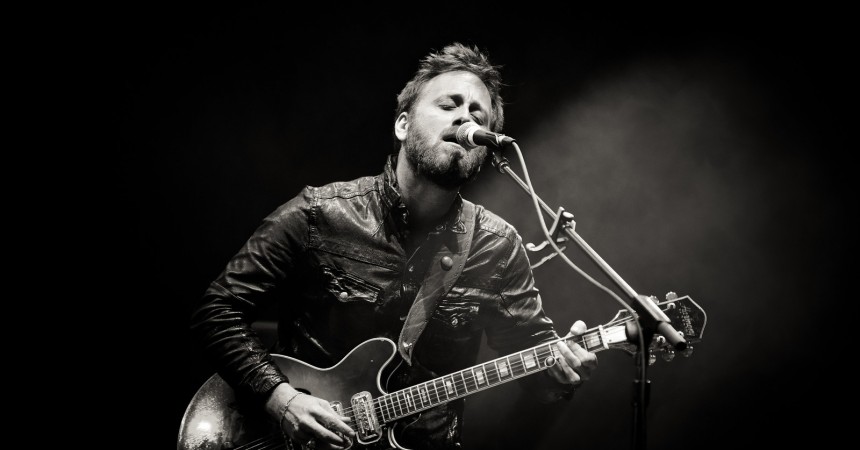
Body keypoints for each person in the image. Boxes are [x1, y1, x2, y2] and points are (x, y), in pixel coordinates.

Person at [189, 42, 598, 450]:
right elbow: (216, 311)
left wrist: (561, 378)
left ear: (485, 149)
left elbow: (539, 372)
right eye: (449, 105)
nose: (465, 118)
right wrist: (281, 399)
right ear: (403, 125)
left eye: (478, 115)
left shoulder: (498, 246)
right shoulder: (319, 214)